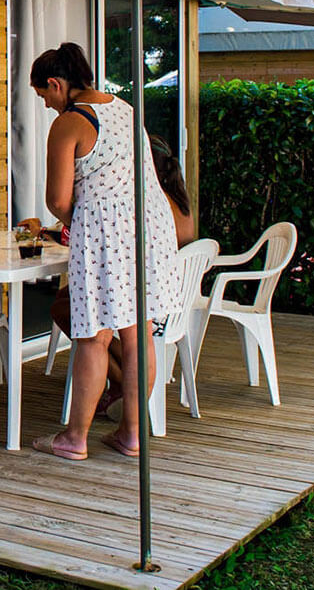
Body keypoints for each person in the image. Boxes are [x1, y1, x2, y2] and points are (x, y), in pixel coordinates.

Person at [26, 43, 180, 460]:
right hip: (150, 226)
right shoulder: (125, 108)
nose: (46, 105)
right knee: (138, 332)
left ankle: (74, 438)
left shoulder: (71, 122)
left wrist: (75, 223)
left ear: (57, 84)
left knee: (94, 335)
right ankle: (131, 434)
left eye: (44, 96)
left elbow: (57, 200)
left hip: (106, 233)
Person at [32, 132, 197, 418]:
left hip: (152, 303)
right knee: (68, 301)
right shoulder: (176, 202)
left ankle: (121, 381)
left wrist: (51, 231)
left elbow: (114, 241)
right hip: (170, 297)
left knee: (72, 310)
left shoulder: (151, 203)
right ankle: (121, 383)